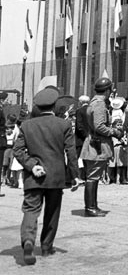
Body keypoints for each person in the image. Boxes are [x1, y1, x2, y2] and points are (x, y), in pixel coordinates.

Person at [13, 88, 81, 264]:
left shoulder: (26, 125)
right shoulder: (63, 125)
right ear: (54, 104)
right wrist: (74, 175)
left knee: (30, 210)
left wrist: (32, 166)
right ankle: (46, 246)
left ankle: (28, 239)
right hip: (56, 176)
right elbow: (71, 153)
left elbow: (18, 150)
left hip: (33, 177)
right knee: (52, 212)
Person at [81, 77, 123, 217]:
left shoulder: (95, 102)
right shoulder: (99, 104)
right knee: (92, 177)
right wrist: (114, 132)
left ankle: (93, 205)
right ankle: (90, 207)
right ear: (107, 90)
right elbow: (99, 126)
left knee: (94, 176)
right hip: (97, 144)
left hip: (94, 142)